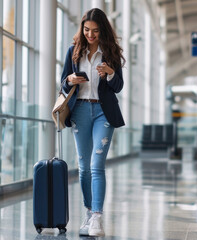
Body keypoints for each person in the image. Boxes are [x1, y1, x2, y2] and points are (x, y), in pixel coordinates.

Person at [60, 8, 126, 237]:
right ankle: (88, 213)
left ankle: (97, 217)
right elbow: (63, 84)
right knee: (83, 167)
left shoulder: (111, 53)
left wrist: (109, 73)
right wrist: (70, 79)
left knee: (97, 165)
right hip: (79, 110)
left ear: (102, 31)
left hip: (102, 112)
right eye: (87, 30)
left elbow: (118, 87)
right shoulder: (73, 52)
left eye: (95, 31)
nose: (90, 35)